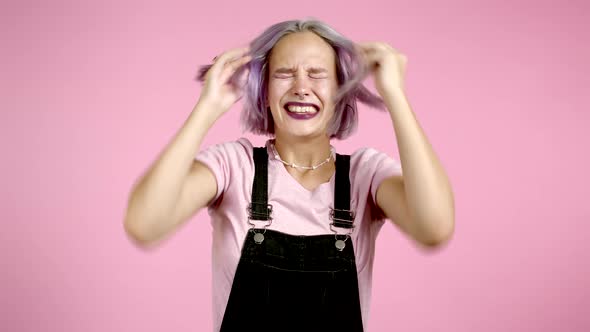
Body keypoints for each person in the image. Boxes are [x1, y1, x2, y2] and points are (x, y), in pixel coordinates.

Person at [124, 18, 455, 332]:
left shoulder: (364, 175)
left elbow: (433, 227)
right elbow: (145, 223)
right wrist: (207, 108)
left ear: (341, 92)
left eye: (316, 74)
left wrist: (395, 95)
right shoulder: (234, 166)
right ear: (264, 90)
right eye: (284, 73)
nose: (301, 87)